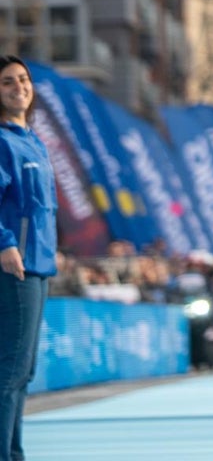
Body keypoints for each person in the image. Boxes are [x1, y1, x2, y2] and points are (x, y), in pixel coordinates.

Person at [0, 55, 58, 461]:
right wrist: (5, 243)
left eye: (23, 79)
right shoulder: (2, 141)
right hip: (15, 265)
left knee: (24, 373)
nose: (18, 87)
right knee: (9, 372)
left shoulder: (32, 140)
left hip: (40, 264)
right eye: (7, 82)